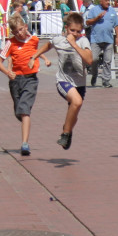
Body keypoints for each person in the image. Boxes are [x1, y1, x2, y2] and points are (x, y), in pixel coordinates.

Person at [0, 12, 53, 157]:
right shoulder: (11, 43)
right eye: (15, 32)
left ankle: (25, 144)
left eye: (21, 30)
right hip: (16, 80)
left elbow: (37, 51)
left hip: (31, 79)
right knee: (18, 112)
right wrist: (8, 72)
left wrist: (45, 59)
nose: (19, 34)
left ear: (25, 27)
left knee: (25, 109)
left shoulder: (33, 39)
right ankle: (24, 122)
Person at [51, 11, 93, 150]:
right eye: (72, 30)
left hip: (79, 83)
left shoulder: (82, 41)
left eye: (78, 31)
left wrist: (75, 44)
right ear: (66, 28)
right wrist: (35, 57)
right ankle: (66, 134)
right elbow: (48, 45)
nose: (74, 33)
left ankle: (67, 129)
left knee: (74, 112)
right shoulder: (58, 40)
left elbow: (89, 60)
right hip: (63, 80)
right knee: (77, 101)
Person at [85, 0, 118, 88]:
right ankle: (94, 75)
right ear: (101, 2)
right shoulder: (94, 10)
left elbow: (116, 24)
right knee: (94, 59)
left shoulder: (112, 10)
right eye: (106, 0)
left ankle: (106, 80)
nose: (108, 2)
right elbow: (87, 22)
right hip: (96, 39)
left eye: (109, 0)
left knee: (107, 61)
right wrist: (97, 18)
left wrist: (117, 37)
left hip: (109, 39)